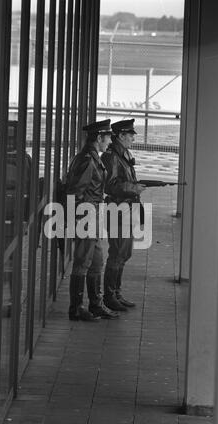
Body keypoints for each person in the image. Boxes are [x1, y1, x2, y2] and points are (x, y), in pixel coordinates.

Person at [66, 119, 119, 322]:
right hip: (86, 216)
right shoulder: (87, 160)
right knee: (82, 262)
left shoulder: (92, 157)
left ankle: (96, 305)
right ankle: (76, 308)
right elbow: (76, 192)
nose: (109, 142)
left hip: (92, 215)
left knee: (96, 261)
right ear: (99, 138)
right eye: (107, 138)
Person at [101, 119, 146, 312]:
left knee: (124, 253)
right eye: (130, 135)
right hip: (117, 211)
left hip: (126, 210)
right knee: (117, 253)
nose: (133, 139)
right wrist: (133, 188)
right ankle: (109, 296)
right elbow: (109, 186)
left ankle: (116, 292)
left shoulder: (122, 155)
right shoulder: (111, 157)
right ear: (120, 136)